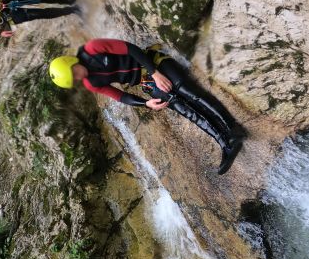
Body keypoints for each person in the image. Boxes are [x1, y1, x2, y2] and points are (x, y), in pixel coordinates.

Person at [49, 39, 246, 174]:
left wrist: (155, 73)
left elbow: (130, 49)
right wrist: (146, 104)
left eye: (74, 73)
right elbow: (119, 96)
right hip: (145, 81)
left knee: (192, 95)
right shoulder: (91, 83)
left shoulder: (93, 48)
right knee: (184, 109)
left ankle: (233, 129)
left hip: (153, 64)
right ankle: (224, 143)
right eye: (74, 80)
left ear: (71, 62)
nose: (78, 77)